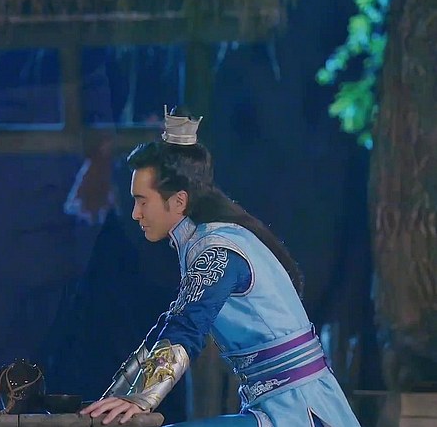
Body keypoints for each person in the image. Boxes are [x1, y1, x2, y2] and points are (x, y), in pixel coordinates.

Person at [80, 108, 360, 426]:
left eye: (142, 201)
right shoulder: (207, 241)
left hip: (299, 411)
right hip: (273, 408)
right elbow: (170, 324)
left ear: (179, 201)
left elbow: (188, 324)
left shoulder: (217, 250)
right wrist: (117, 399)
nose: (135, 213)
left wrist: (139, 399)